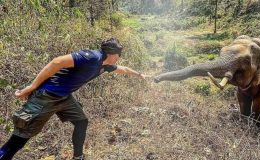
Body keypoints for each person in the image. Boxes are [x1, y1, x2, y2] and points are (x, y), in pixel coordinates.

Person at [0, 38, 149, 160]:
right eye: (119, 55)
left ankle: (78, 157)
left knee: (81, 121)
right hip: (46, 97)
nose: (119, 58)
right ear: (112, 53)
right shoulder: (91, 57)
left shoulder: (104, 65)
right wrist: (31, 87)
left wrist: (139, 74)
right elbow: (57, 62)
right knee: (22, 136)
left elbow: (123, 69)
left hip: (64, 98)